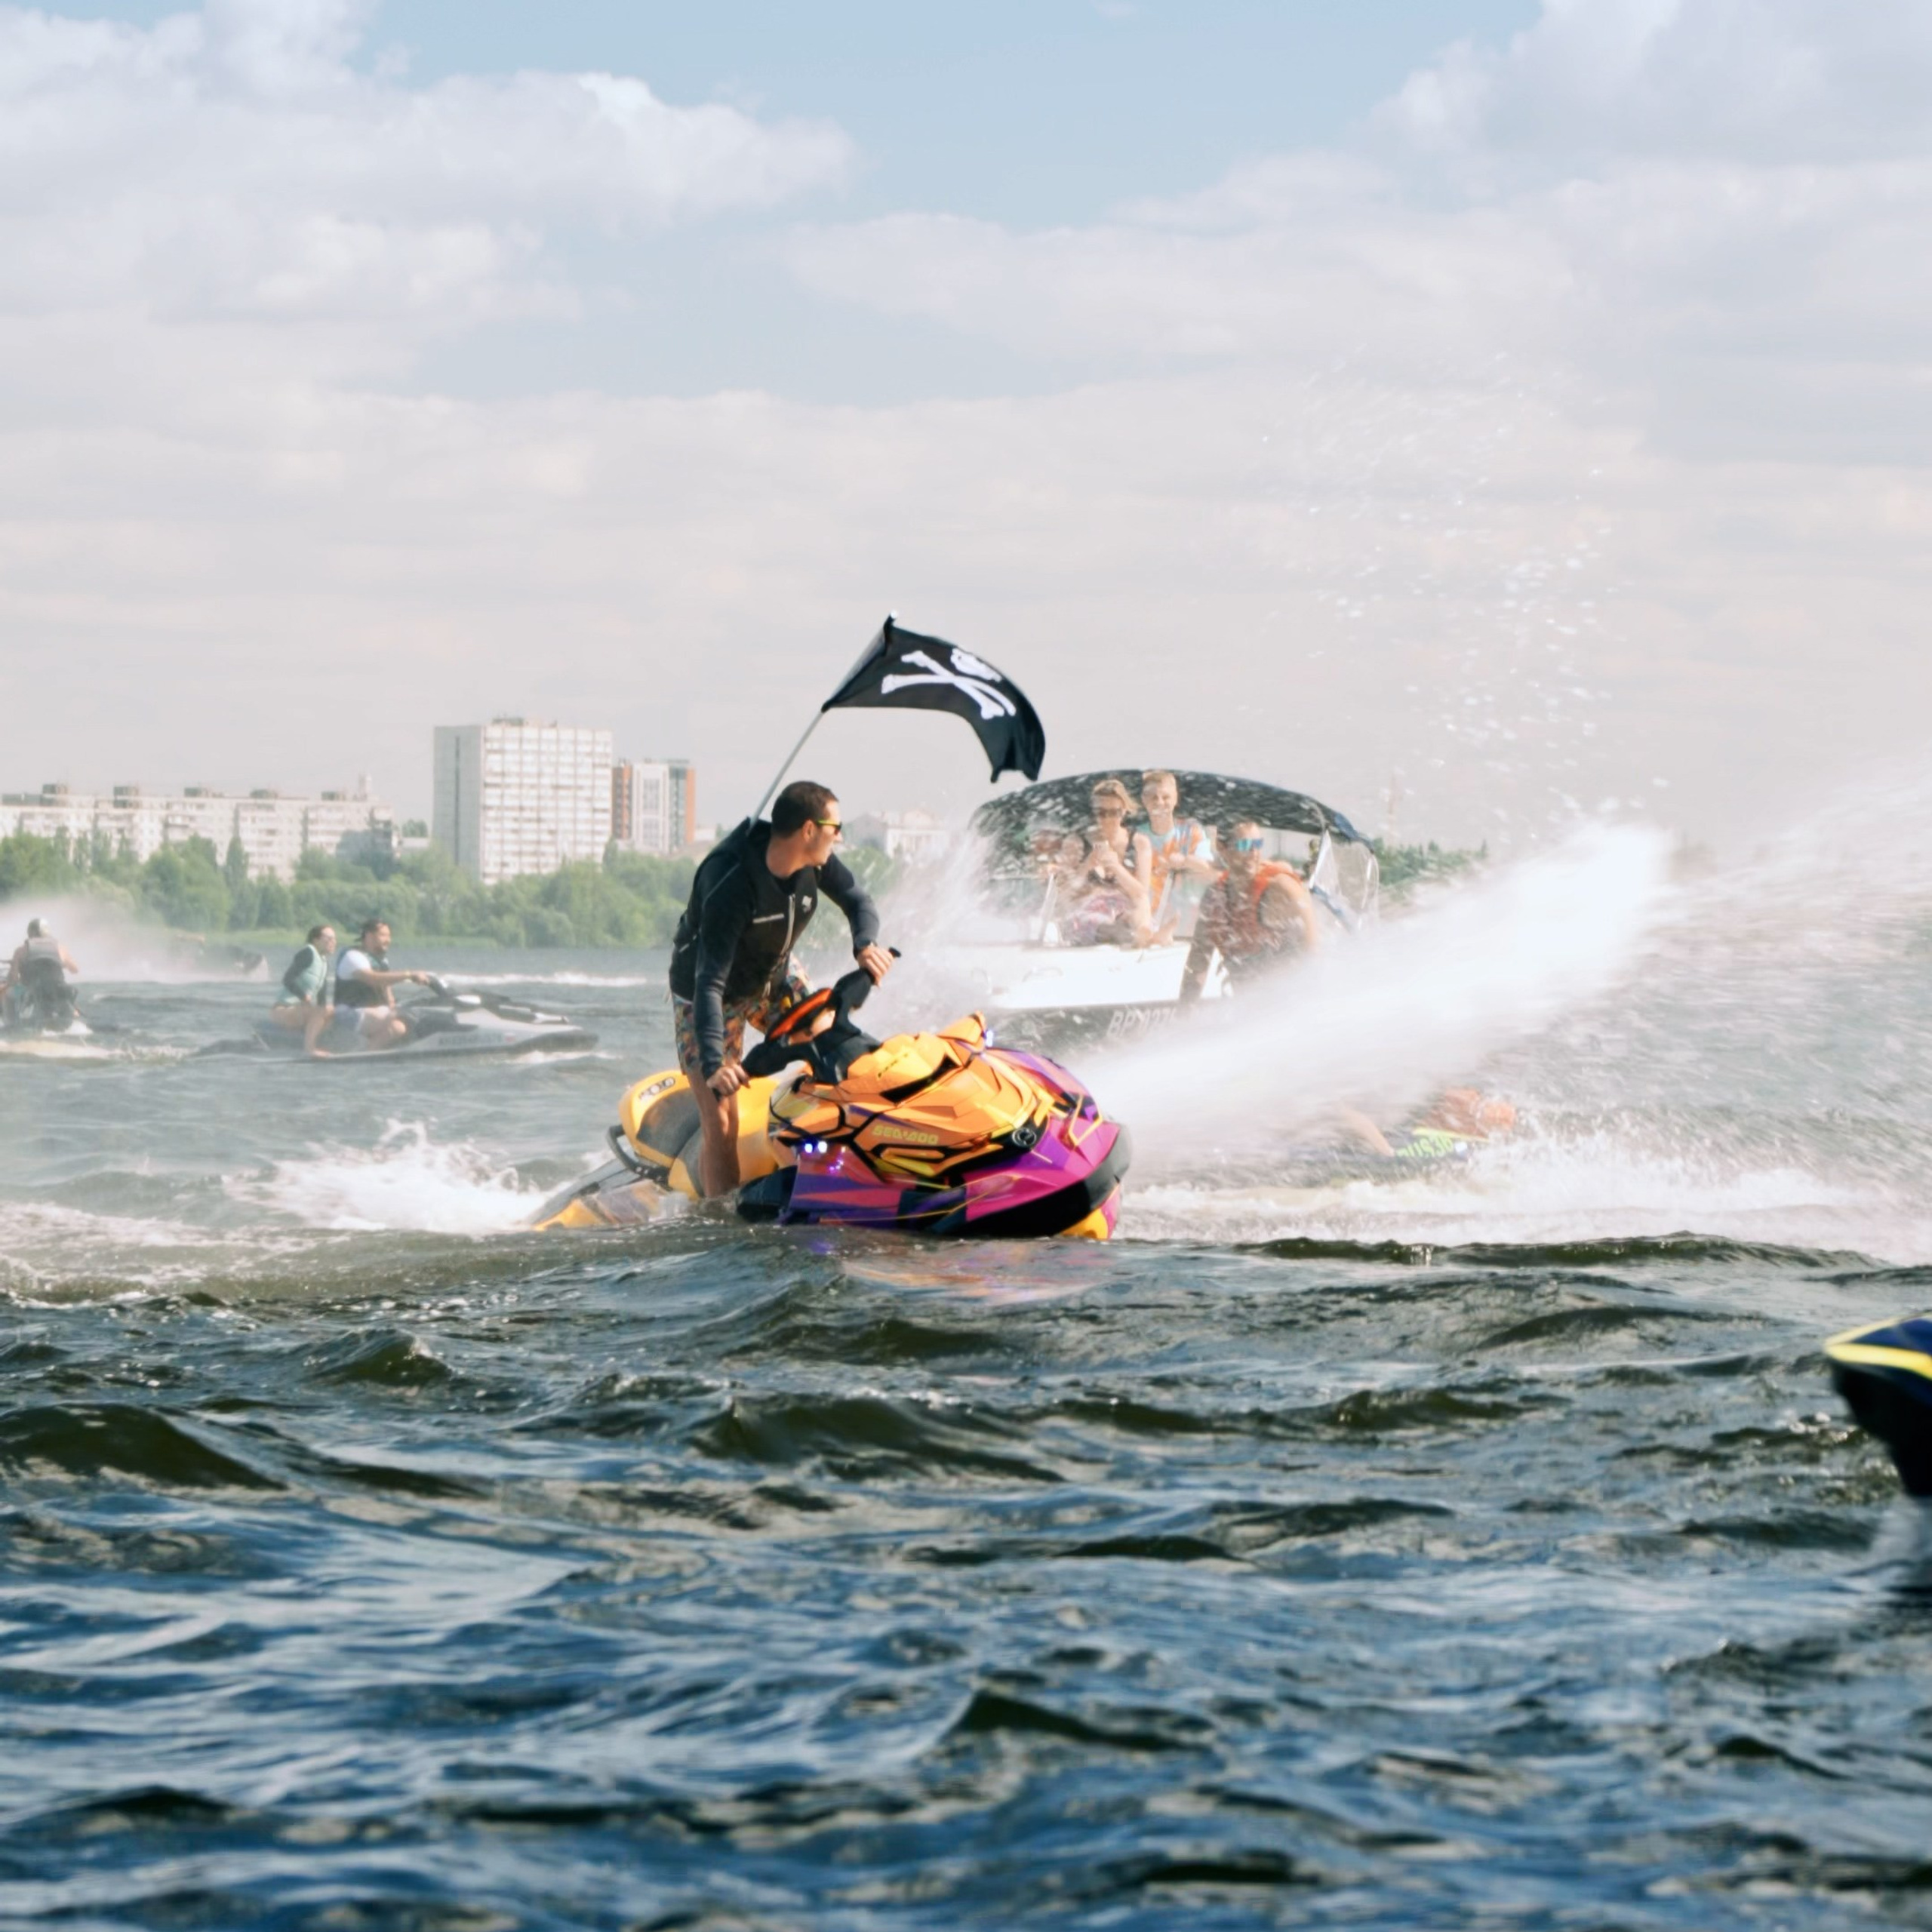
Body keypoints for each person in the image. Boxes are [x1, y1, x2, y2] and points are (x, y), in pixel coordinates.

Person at [669, 780, 894, 1198]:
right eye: (835, 828)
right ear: (809, 829)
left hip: (773, 976)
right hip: (707, 994)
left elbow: (859, 902)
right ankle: (719, 1216)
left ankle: (852, 1160)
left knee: (832, 1041)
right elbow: (709, 983)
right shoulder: (731, 882)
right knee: (721, 1118)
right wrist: (716, 1062)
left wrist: (865, 945)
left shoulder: (816, 862)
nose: (839, 837)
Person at [1179, 820, 1321, 1001]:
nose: (1254, 853)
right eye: (1244, 845)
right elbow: (1197, 965)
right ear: (1222, 848)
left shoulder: (1281, 889)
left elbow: (1314, 955)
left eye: (1258, 844)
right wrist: (1185, 1011)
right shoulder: (1214, 899)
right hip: (1247, 1005)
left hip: (1291, 1001)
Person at [1136, 769, 1217, 943]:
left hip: (1185, 929)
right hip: (1144, 921)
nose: (1160, 803)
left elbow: (1208, 868)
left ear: (1175, 799)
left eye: (1166, 797)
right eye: (1154, 798)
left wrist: (1184, 861)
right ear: (1144, 800)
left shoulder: (1192, 831)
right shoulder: (1137, 836)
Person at [325, 918, 430, 1053]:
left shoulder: (381, 961)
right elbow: (373, 979)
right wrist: (409, 975)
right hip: (347, 1014)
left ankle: (370, 1051)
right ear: (369, 936)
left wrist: (392, 1002)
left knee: (399, 1026)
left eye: (389, 936)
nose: (388, 940)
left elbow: (386, 987)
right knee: (397, 1017)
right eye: (383, 935)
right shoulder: (353, 956)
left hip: (371, 1013)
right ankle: (363, 1054)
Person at [266, 924, 337, 1054]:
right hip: (283, 1010)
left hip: (300, 1011)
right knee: (323, 1011)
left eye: (335, 939)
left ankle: (313, 1042)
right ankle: (310, 1048)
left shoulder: (324, 963)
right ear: (316, 940)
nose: (333, 942)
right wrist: (304, 996)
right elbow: (288, 979)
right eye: (329, 938)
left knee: (333, 1011)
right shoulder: (308, 953)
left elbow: (322, 999)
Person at [2, 917, 80, 1029]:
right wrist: (60, 963)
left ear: (30, 932)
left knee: (8, 995)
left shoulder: (21, 950)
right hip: (57, 988)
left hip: (30, 988)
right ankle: (73, 1015)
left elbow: (13, 978)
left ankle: (12, 1026)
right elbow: (75, 970)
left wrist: (15, 966)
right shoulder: (60, 949)